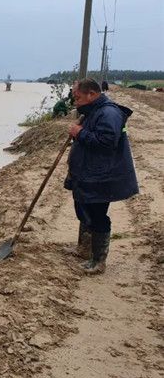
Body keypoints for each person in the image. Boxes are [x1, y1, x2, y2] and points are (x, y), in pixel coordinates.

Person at [64, 78, 138, 274]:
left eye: (78, 97)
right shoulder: (92, 111)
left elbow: (106, 143)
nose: (75, 101)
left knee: (97, 216)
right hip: (88, 174)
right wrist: (80, 132)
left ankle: (98, 261)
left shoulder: (108, 113)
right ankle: (85, 250)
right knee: (84, 211)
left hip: (101, 177)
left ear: (92, 94)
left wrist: (80, 133)